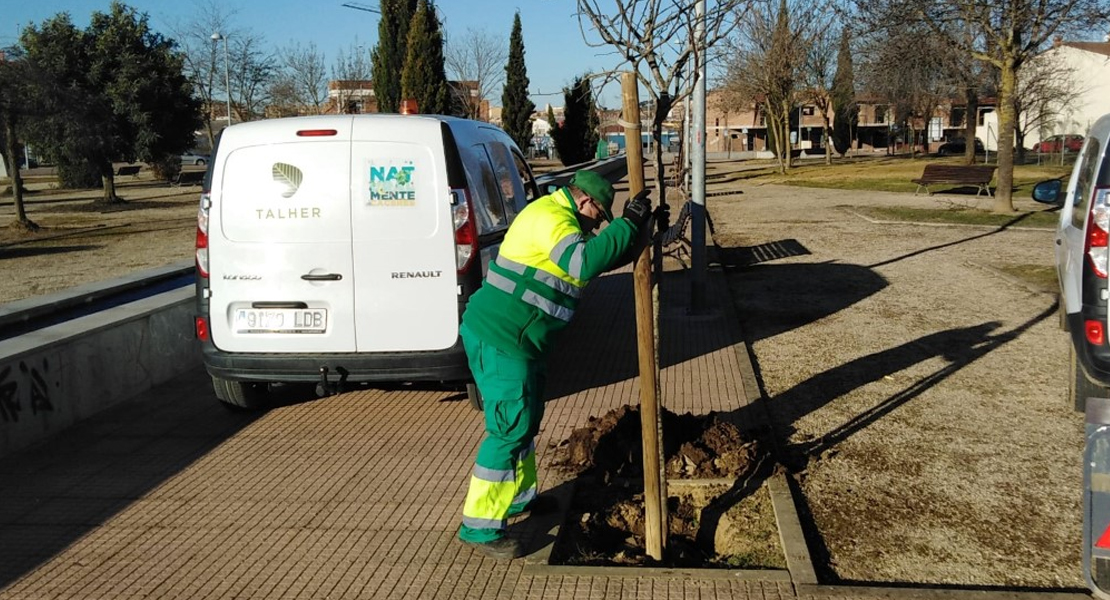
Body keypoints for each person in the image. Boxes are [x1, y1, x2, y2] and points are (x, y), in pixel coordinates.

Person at [457, 169, 653, 559]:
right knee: (510, 429)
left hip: (518, 338)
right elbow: (582, 262)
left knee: (525, 421)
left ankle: (518, 498)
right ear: (585, 202)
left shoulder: (557, 216)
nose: (596, 226)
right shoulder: (550, 218)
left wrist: (638, 234)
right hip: (502, 338)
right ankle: (478, 526)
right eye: (597, 217)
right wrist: (628, 223)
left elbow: (594, 259)